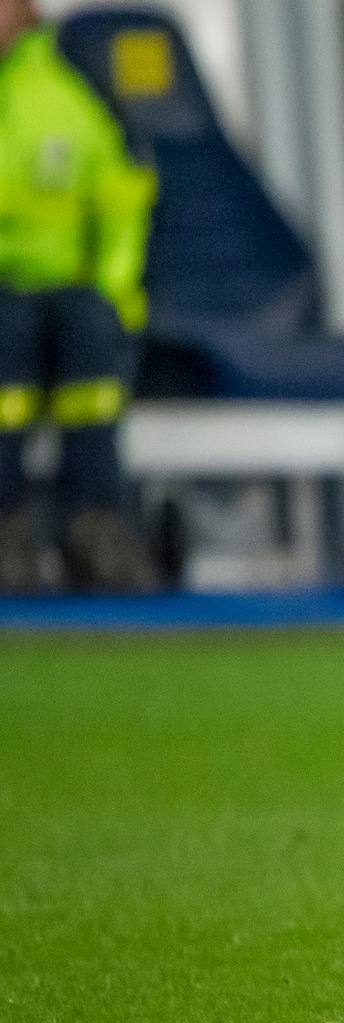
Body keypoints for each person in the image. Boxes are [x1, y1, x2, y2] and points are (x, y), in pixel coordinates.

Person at [0, 0, 159, 593]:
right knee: (7, 334)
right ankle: (5, 528)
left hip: (67, 289)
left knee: (90, 332)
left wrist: (113, 290)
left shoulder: (70, 96)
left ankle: (96, 526)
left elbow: (121, 201)